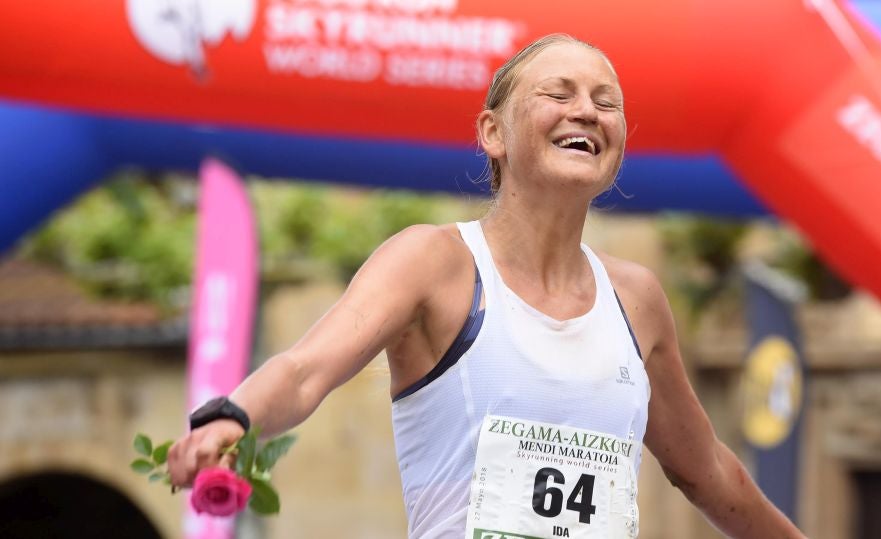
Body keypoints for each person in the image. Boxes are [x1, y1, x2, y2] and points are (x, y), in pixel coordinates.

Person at [168, 34, 806, 538]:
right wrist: (233, 416)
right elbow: (306, 369)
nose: (586, 109)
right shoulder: (434, 262)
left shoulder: (636, 298)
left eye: (606, 101)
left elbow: (710, 473)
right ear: (492, 134)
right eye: (558, 93)